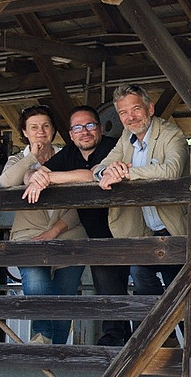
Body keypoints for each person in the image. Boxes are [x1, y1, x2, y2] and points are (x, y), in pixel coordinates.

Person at [22, 105, 130, 345]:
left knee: (142, 283)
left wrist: (50, 178)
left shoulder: (112, 146)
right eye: (78, 128)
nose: (85, 132)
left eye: (90, 125)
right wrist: (35, 177)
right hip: (95, 232)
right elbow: (35, 174)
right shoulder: (69, 153)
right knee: (107, 284)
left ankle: (133, 338)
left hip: (124, 227)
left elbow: (92, 174)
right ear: (71, 134)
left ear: (100, 129)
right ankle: (116, 337)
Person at [0, 105, 86, 344]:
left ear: (54, 129)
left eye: (46, 126)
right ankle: (43, 337)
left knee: (65, 294)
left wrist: (54, 231)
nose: (40, 132)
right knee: (36, 282)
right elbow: (5, 183)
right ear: (24, 132)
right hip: (29, 237)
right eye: (34, 127)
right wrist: (32, 158)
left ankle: (54, 348)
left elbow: (85, 204)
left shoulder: (68, 156)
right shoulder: (18, 159)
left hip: (68, 234)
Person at [93, 85, 188, 303]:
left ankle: (176, 331)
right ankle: (164, 333)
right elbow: (99, 168)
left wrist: (126, 173)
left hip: (175, 228)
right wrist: (106, 171)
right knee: (139, 273)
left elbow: (170, 170)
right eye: (123, 113)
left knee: (179, 292)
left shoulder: (171, 134)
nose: (130, 117)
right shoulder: (126, 137)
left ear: (150, 108)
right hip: (144, 229)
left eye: (135, 109)